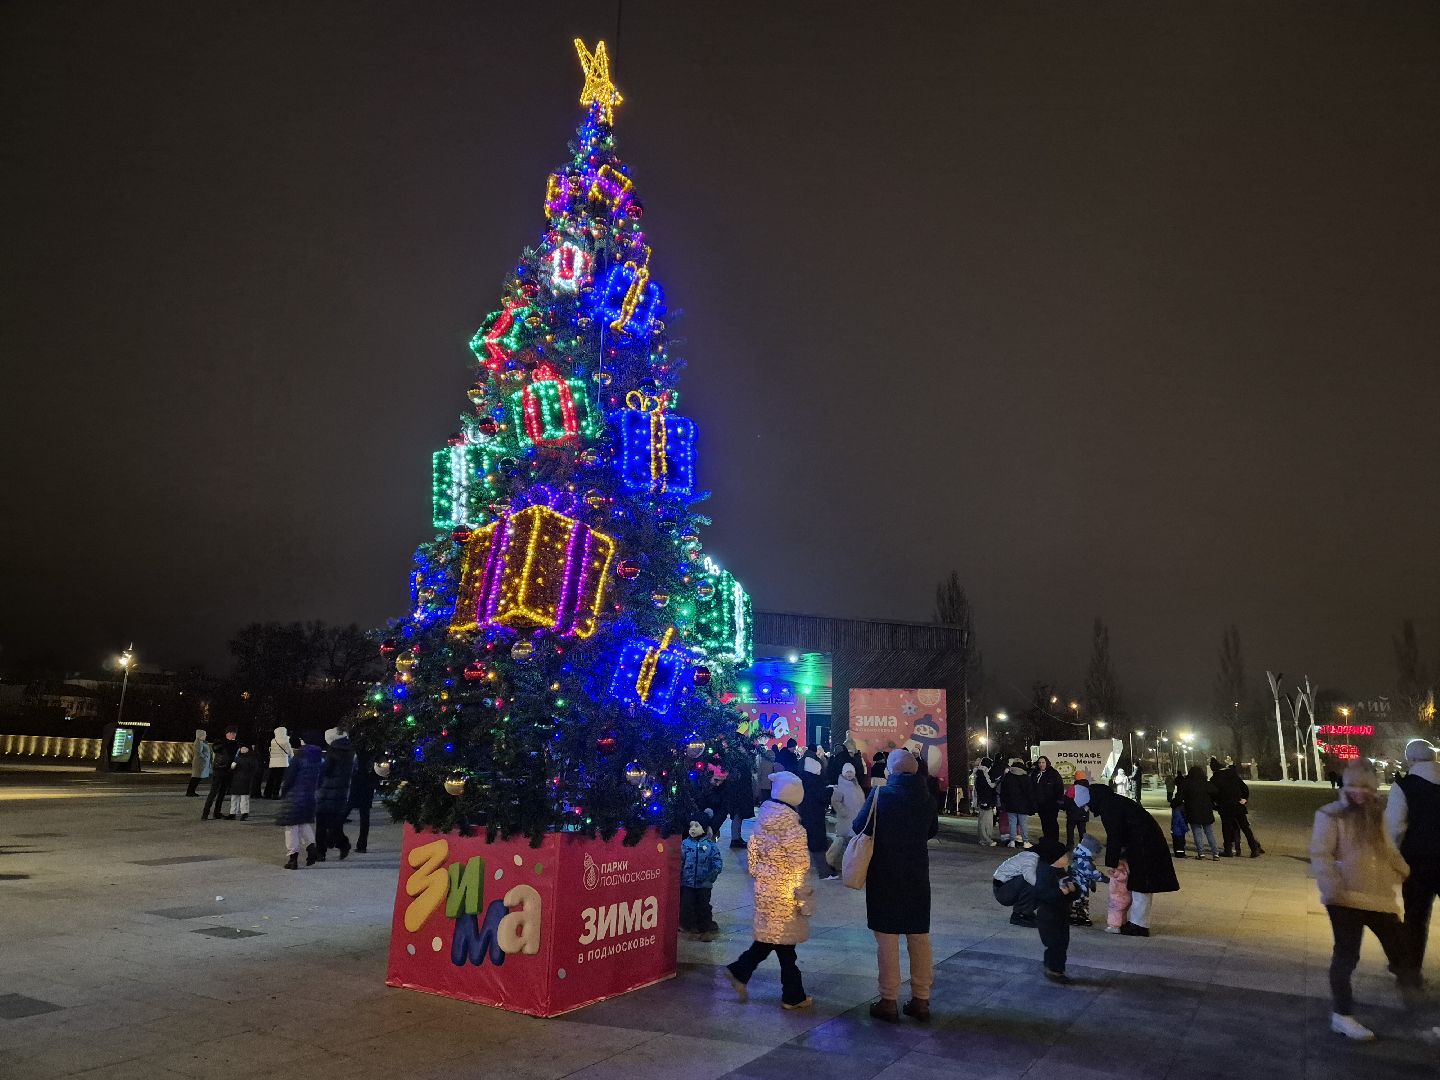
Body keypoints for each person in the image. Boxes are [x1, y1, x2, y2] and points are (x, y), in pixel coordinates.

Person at [1311, 761, 1415, 1040]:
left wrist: (1404, 870)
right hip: (1344, 898)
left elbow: (1389, 850)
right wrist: (1332, 886)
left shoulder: (1377, 816)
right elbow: (1321, 854)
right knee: (1346, 956)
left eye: (1366, 787)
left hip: (1380, 898)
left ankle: (1418, 1013)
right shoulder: (1330, 815)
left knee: (1402, 955)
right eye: (1354, 786)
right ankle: (1342, 1016)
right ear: (1345, 786)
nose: (1360, 792)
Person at [853, 748, 938, 1022]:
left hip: (885, 874)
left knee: (887, 938)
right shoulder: (927, 798)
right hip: (916, 874)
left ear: (891, 770)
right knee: (919, 936)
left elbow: (859, 826)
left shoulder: (881, 795)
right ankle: (921, 999)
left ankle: (888, 1000)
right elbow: (932, 830)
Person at [724, 771, 814, 1010]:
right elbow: (800, 866)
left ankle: (741, 971)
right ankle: (792, 996)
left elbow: (752, 852)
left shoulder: (764, 820)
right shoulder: (793, 828)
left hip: (765, 888)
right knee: (784, 943)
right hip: (786, 892)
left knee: (774, 939)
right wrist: (803, 897)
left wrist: (761, 875)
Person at [1087, 782, 1179, 936]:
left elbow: (1115, 835)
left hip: (1145, 846)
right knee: (1140, 884)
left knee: (1142, 885)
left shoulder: (1109, 807)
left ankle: (1139, 925)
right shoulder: (1114, 801)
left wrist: (1112, 862)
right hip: (1144, 844)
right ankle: (1137, 923)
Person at [1385, 739, 1440, 981]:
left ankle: (1410, 971)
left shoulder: (1405, 786)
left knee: (1416, 919)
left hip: (1418, 863)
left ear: (1412, 760)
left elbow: (1394, 827)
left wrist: (1392, 858)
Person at [1030, 838, 1079, 983]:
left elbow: (1072, 892)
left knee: (1062, 942)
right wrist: (1060, 892)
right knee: (1054, 943)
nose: (1067, 857)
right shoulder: (1044, 873)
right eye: (1064, 855)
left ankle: (1058, 969)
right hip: (1048, 916)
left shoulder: (1061, 871)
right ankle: (1053, 969)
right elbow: (1042, 894)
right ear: (1054, 859)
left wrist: (1074, 890)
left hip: (1061, 914)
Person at [276, 738, 323, 869]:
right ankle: (312, 847)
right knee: (303, 823)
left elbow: (289, 777)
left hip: (295, 795)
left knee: (291, 827)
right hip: (310, 796)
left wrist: (284, 792)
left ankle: (293, 857)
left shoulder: (298, 757)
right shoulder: (318, 759)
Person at [313, 727, 355, 861]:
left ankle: (321, 852)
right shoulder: (351, 752)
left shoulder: (332, 751)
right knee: (335, 824)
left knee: (321, 823)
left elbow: (325, 771)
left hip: (326, 792)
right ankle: (343, 844)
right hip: (341, 793)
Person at [1211, 757, 1264, 857]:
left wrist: (1215, 805)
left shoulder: (1215, 779)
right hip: (1238, 805)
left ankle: (1228, 850)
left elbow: (1213, 794)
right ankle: (1254, 849)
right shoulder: (1233, 775)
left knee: (1227, 829)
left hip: (1225, 807)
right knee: (1245, 828)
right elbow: (1244, 788)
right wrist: (1245, 799)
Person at [680, 820, 723, 940]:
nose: (693, 829)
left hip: (704, 883)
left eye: (696, 826)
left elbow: (717, 861)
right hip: (688, 882)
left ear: (704, 828)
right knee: (687, 904)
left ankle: (706, 929)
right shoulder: (685, 844)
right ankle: (691, 925)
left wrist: (712, 875)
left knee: (703, 906)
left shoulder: (710, 845)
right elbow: (681, 860)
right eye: (691, 826)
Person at [827, 763, 868, 874]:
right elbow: (835, 801)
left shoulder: (856, 785)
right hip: (846, 819)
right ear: (843, 773)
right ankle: (829, 861)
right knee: (841, 839)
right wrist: (843, 812)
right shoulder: (840, 787)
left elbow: (861, 800)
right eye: (847, 772)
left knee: (849, 842)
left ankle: (847, 864)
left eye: (851, 772)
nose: (849, 774)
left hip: (855, 818)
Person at [798, 755, 831, 878]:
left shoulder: (803, 780)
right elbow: (820, 797)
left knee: (810, 840)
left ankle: (811, 867)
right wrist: (830, 792)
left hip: (806, 813)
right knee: (817, 842)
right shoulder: (815, 782)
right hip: (815, 815)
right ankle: (823, 872)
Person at [1180, 764, 1220, 860]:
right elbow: (1215, 792)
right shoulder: (1206, 783)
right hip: (1206, 811)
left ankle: (1201, 853)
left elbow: (1180, 796)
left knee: (1197, 832)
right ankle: (1215, 853)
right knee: (1209, 832)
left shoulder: (1187, 784)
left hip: (1193, 811)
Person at [993, 847, 1040, 925]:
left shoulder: (1035, 857)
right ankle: (1019, 914)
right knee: (1033, 881)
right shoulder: (1031, 857)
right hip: (1002, 892)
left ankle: (1027, 912)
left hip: (1007, 887)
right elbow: (1029, 877)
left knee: (1043, 881)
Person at [201, 727, 240, 820]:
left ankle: (217, 812)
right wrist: (227, 743)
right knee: (213, 792)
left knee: (222, 793)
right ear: (227, 734)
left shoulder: (236, 743)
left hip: (229, 770)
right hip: (219, 769)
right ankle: (205, 813)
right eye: (232, 733)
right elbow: (215, 748)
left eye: (235, 733)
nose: (234, 735)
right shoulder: (220, 741)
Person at [999, 758, 1035, 848]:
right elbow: (1030, 792)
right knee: (1023, 823)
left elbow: (1003, 791)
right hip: (1023, 804)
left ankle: (1012, 841)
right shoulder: (1025, 777)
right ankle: (1025, 841)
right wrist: (1031, 803)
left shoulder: (1008, 776)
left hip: (1010, 804)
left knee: (1012, 823)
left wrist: (1004, 802)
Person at [723, 750, 756, 849]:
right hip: (738, 795)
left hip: (739, 794)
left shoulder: (736, 763)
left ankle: (737, 837)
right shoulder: (739, 765)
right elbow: (737, 781)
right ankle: (735, 839)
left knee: (739, 816)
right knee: (737, 815)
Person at [349, 747, 377, 853]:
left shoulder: (360, 756)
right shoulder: (371, 755)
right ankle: (362, 845)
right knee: (365, 817)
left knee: (346, 812)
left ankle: (333, 838)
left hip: (358, 789)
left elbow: (356, 771)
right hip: (367, 789)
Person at [1032, 757, 1063, 844]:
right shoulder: (1035, 773)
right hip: (1040, 804)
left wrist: (1058, 801)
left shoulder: (1053, 774)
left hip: (1051, 804)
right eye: (1039, 763)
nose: (1041, 764)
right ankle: (1047, 839)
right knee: (1044, 822)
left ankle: (1054, 840)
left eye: (1043, 762)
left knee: (1052, 822)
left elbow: (1059, 788)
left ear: (1047, 763)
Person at [226, 746, 259, 820]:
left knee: (241, 797)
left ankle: (241, 813)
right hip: (239, 780)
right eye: (241, 748)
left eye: (244, 748)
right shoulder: (240, 758)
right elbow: (254, 770)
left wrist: (232, 768)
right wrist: (232, 768)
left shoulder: (242, 758)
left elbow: (254, 770)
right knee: (237, 797)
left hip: (241, 780)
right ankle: (236, 813)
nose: (242, 749)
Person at [972, 757, 998, 846]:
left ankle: (984, 839)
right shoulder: (983, 773)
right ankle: (985, 839)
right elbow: (990, 785)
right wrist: (996, 782)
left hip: (982, 799)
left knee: (983, 820)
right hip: (986, 799)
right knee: (986, 821)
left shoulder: (978, 773)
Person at [1064, 769, 1090, 848]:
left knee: (1070, 829)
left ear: (1076, 778)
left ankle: (1070, 844)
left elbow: (1067, 800)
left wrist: (1065, 808)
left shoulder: (1072, 788)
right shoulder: (1088, 788)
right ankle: (1083, 846)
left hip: (1072, 813)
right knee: (1082, 830)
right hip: (1083, 813)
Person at [264, 725, 292, 799]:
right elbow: (289, 752)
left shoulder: (273, 740)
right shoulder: (285, 741)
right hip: (282, 762)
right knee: (278, 779)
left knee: (271, 778)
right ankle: (275, 794)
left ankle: (267, 793)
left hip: (273, 761)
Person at [186, 728, 212, 797]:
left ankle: (191, 791)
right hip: (199, 763)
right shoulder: (198, 742)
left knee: (196, 778)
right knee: (196, 778)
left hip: (201, 763)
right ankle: (190, 792)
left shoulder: (201, 742)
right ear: (200, 735)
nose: (206, 736)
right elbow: (198, 753)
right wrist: (205, 756)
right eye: (204, 735)